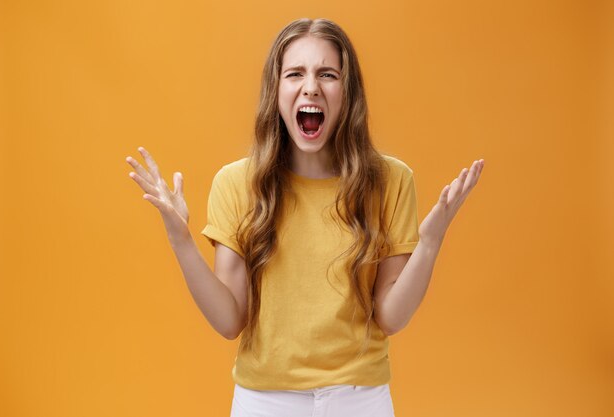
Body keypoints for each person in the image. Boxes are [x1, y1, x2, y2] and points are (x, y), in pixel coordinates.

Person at [126, 17, 484, 417]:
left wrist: (430, 243)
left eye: (327, 74)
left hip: (360, 400)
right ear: (276, 91)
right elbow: (230, 320)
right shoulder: (236, 184)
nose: (310, 86)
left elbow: (391, 316)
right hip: (264, 402)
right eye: (295, 73)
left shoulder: (391, 181)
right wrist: (180, 239)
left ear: (347, 92)